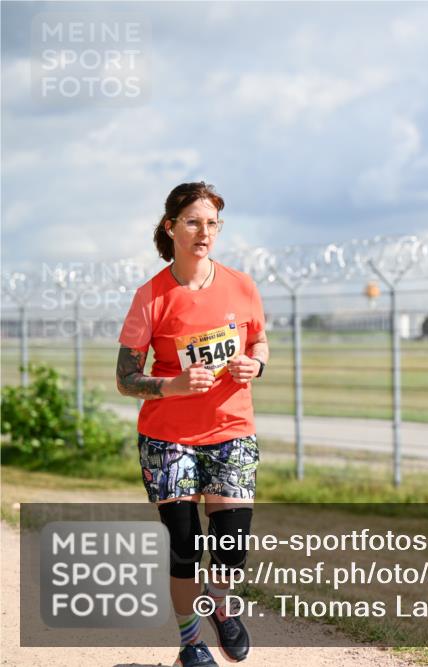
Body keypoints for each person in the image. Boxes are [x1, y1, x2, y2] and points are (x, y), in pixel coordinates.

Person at [116, 182, 269, 667]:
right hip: (168, 438)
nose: (204, 233)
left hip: (231, 430)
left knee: (232, 542)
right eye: (193, 222)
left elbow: (260, 343)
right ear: (171, 227)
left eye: (212, 224)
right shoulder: (152, 297)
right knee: (184, 545)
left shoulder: (242, 286)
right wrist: (172, 386)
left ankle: (221, 603)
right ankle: (190, 643)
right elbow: (125, 379)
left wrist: (257, 365)